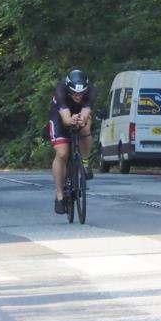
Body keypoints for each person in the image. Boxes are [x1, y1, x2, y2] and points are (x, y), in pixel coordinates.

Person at [49, 69, 96, 214]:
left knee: (86, 127)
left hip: (80, 114)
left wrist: (81, 120)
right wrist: (71, 120)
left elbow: (86, 112)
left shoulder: (91, 91)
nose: (78, 96)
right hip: (60, 117)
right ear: (69, 89)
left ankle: (85, 162)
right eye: (75, 94)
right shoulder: (61, 90)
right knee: (62, 153)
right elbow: (66, 119)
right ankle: (59, 194)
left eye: (81, 94)